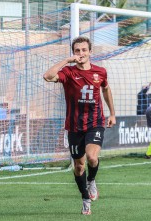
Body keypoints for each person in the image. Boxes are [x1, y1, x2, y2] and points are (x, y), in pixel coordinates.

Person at [43, 36, 116, 215]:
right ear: (74, 53)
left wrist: (112, 113)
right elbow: (47, 76)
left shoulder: (101, 72)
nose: (81, 54)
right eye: (77, 51)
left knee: (92, 157)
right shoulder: (68, 73)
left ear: (90, 51)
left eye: (84, 50)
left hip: (95, 123)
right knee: (78, 166)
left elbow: (106, 89)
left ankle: (91, 181)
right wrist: (67, 61)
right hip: (74, 126)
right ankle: (85, 198)